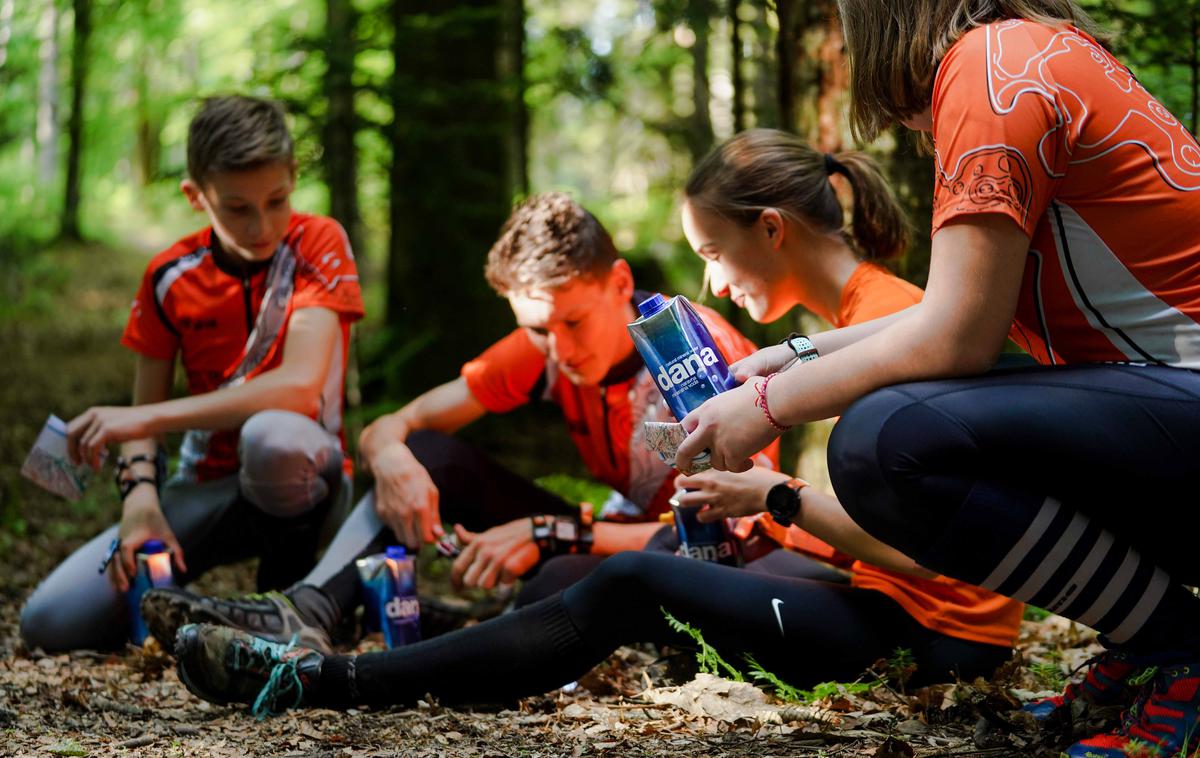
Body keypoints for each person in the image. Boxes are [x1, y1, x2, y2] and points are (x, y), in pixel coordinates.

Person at [164, 136, 1022, 719]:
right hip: (880, 598)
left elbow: (944, 548)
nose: (711, 285)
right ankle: (325, 629)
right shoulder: (860, 321)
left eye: (715, 256)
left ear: (772, 229)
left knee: (620, 584)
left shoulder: (896, 318)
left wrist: (774, 496)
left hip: (938, 634)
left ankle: (327, 681)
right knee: (600, 579)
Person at [671, 4, 1200, 757]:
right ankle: (1153, 643)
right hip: (1170, 405)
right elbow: (972, 310)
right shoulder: (1024, 51)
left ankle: (1178, 646)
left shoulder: (992, 69)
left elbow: (957, 336)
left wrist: (767, 406)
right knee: (917, 424)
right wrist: (795, 357)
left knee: (887, 440)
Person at [140, 191, 778, 652]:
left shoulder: (693, 349)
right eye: (536, 330)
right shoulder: (545, 351)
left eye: (573, 323)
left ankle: (448, 626)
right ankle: (309, 608)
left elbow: (739, 523)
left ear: (618, 283)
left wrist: (549, 531)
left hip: (714, 557)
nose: (558, 350)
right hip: (613, 536)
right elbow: (399, 423)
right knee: (430, 452)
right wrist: (392, 458)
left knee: (556, 581)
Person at [19, 95, 365, 652]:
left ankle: (286, 601)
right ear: (195, 195)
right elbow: (144, 426)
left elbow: (299, 389)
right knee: (50, 623)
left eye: (277, 200)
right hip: (205, 487)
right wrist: (140, 502)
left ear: (294, 177)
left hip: (307, 475)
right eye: (236, 208)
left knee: (273, 437)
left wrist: (137, 418)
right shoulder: (168, 276)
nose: (262, 225)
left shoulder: (318, 243)